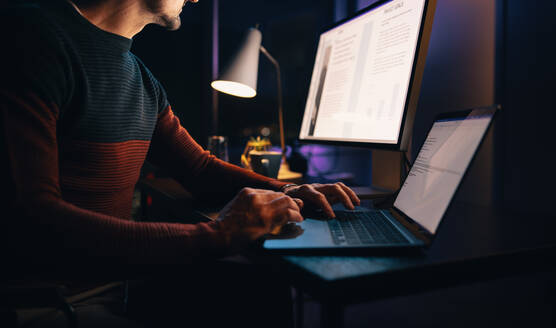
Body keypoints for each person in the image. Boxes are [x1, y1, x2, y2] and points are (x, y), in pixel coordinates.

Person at [0, 0, 360, 326]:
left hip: (114, 288)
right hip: (42, 304)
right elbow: (36, 219)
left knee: (264, 291)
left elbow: (200, 169)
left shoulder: (141, 78)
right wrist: (219, 235)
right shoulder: (31, 38)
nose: (195, 0)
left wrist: (286, 189)